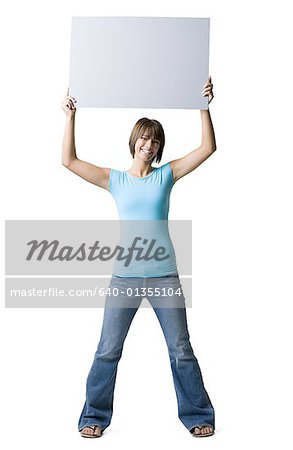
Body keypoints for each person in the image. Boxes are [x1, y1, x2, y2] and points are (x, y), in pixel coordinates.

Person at [61, 77, 217, 438]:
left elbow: (207, 147)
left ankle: (197, 415)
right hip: (124, 279)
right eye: (144, 137)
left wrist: (203, 105)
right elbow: (68, 160)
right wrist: (71, 116)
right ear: (134, 141)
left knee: (181, 349)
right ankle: (93, 418)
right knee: (107, 350)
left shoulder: (166, 176)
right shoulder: (114, 180)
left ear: (159, 147)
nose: (149, 144)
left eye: (156, 140)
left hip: (165, 278)